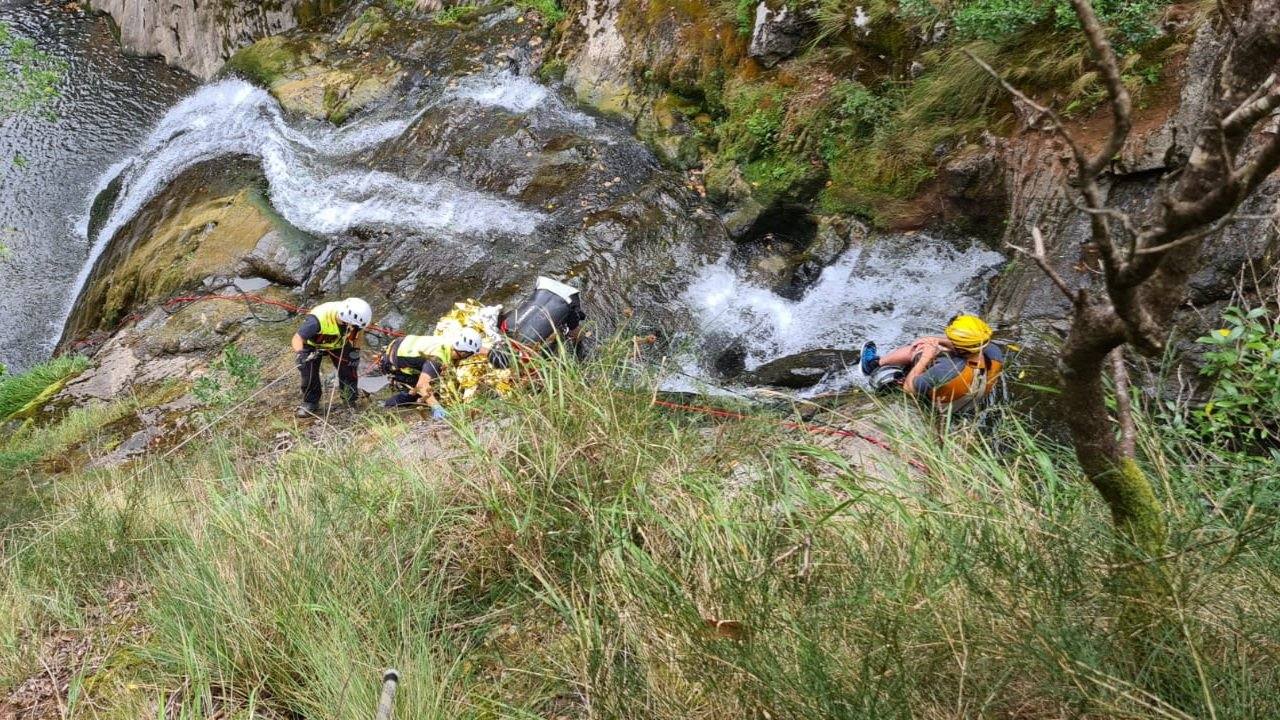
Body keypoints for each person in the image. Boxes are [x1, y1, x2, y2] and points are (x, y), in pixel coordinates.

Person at [860, 314, 1004, 413]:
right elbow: (964, 349)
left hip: (937, 407)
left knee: (918, 350)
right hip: (965, 405)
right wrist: (938, 341)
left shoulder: (946, 370)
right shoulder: (993, 353)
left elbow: (908, 389)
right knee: (932, 349)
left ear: (961, 348)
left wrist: (926, 357)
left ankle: (872, 364)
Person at [379, 328, 488, 419]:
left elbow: (473, 348)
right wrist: (436, 406)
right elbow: (421, 386)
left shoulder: (453, 341)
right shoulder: (437, 360)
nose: (469, 357)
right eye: (468, 355)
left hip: (403, 345)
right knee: (415, 393)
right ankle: (387, 406)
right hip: (394, 361)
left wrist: (491, 353)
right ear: (463, 353)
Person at [292, 297, 373, 417]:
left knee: (349, 368)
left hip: (337, 343)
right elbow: (297, 338)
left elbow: (358, 334)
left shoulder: (355, 320)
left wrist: (355, 351)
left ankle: (349, 399)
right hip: (313, 344)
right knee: (308, 372)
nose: (355, 328)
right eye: (353, 326)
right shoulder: (317, 320)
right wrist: (301, 354)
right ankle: (310, 402)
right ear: (346, 320)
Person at [488, 276, 586, 370]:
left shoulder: (529, 347)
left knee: (574, 331)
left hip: (567, 298)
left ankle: (580, 350)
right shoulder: (505, 326)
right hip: (544, 286)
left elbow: (538, 362)